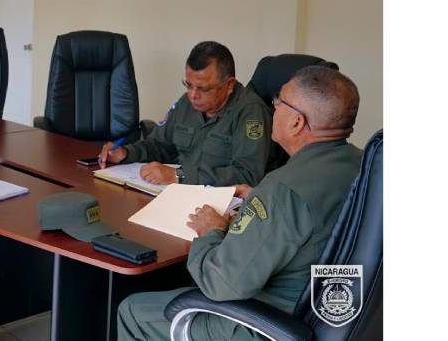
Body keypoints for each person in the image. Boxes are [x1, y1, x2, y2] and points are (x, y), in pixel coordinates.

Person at [117, 66, 363, 341]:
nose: (273, 108)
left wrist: (210, 231)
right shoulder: (365, 166)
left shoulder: (282, 190)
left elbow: (220, 283)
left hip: (266, 321)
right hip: (334, 315)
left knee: (133, 311)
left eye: (279, 102)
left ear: (296, 122)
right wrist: (262, 199)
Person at [99, 41, 271, 186]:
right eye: (188, 85)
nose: (193, 95)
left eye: (203, 88)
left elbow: (247, 175)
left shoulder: (251, 112)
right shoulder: (186, 103)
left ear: (229, 85)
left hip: (218, 204)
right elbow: (159, 145)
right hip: (174, 193)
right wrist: (127, 153)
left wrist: (179, 175)